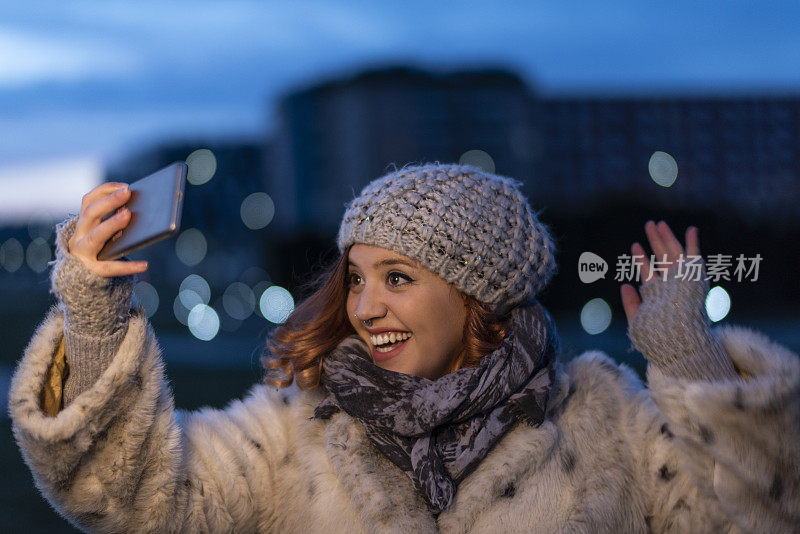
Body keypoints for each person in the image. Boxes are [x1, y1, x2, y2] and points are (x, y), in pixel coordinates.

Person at [8, 162, 799, 533]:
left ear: (476, 293)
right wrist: (96, 312)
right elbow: (135, 501)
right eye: (355, 278)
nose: (364, 306)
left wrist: (694, 367)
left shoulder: (601, 418)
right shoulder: (299, 430)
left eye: (397, 278)